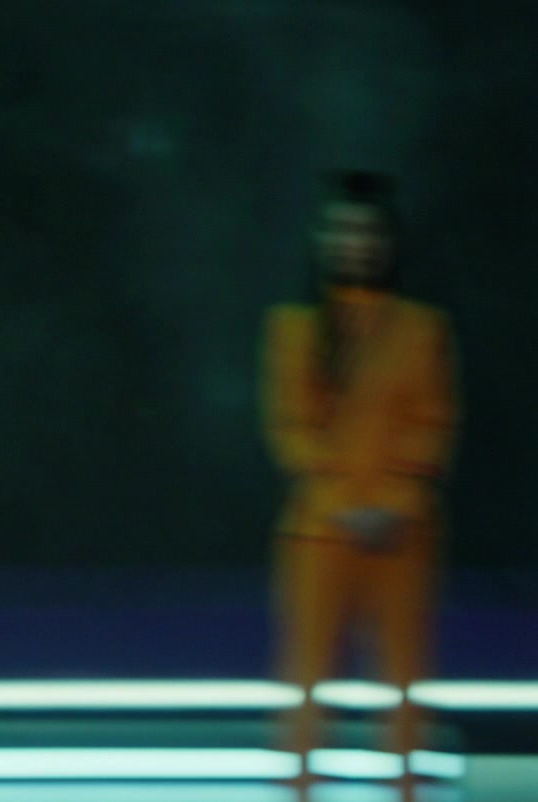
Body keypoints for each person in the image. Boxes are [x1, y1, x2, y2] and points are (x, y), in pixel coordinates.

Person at [260, 170, 460, 797]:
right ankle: (300, 785)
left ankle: (406, 788)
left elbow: (433, 425)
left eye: (367, 231)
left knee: (405, 677)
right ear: (322, 239)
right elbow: (292, 431)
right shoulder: (292, 329)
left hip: (402, 533)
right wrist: (346, 508)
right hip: (320, 533)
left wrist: (392, 505)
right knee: (306, 675)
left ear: (387, 242)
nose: (355, 243)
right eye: (343, 230)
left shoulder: (422, 329)